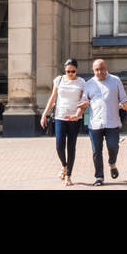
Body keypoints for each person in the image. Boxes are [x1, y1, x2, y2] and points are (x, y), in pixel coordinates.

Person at [83, 59, 127, 185]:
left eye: (102, 69)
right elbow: (84, 103)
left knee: (113, 146)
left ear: (106, 68)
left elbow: (125, 100)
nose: (99, 72)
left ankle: (112, 163)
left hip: (112, 122)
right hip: (95, 123)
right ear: (93, 70)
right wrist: (79, 115)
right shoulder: (89, 84)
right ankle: (99, 177)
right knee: (96, 151)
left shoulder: (115, 80)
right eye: (96, 70)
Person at [41, 58, 90, 186]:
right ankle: (64, 165)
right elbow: (53, 98)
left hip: (74, 118)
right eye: (68, 71)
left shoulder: (81, 82)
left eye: (73, 71)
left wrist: (78, 114)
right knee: (59, 145)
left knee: (71, 147)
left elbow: (84, 100)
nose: (70, 74)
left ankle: (68, 175)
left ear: (76, 70)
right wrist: (44, 114)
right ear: (65, 70)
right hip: (60, 117)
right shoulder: (59, 80)